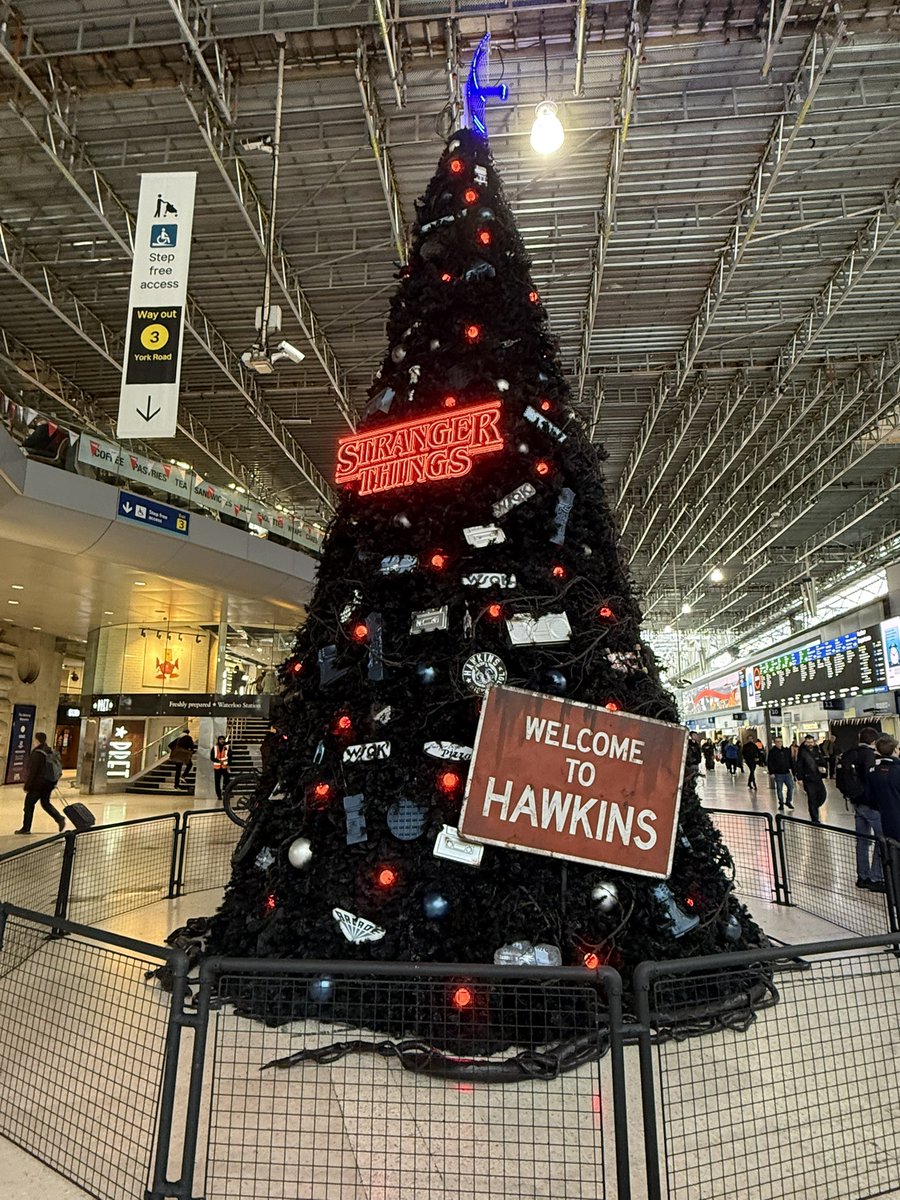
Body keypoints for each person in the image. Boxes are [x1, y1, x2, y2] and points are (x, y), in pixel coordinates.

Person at [836, 728, 884, 891]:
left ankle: (862, 877)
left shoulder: (850, 752)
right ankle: (875, 877)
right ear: (873, 741)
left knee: (862, 841)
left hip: (856, 801)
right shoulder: (869, 755)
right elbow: (871, 779)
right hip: (870, 804)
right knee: (882, 839)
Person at [15, 732, 65, 834]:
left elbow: (33, 771)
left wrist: (27, 785)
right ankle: (59, 818)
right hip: (49, 783)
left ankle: (26, 828)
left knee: (29, 805)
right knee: (45, 803)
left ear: (37, 740)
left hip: (38, 784)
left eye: (34, 740)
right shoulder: (49, 750)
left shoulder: (37, 753)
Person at [868, 736, 900, 844]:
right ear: (895, 750)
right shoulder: (897, 769)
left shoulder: (873, 771)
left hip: (885, 820)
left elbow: (870, 797)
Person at [796, 733, 827, 823]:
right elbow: (799, 765)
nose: (810, 744)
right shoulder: (802, 752)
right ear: (805, 742)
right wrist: (800, 778)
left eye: (811, 742)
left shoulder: (817, 751)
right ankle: (814, 817)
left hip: (817, 777)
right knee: (812, 797)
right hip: (808, 779)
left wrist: (823, 769)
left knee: (822, 795)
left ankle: (814, 807)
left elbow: (822, 761)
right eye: (808, 742)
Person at [766, 736, 795, 811]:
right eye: (777, 742)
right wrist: (771, 772)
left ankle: (788, 801)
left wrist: (793, 770)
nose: (779, 743)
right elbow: (770, 762)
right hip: (778, 773)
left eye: (780, 741)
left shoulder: (786, 750)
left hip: (787, 772)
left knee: (791, 787)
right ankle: (781, 803)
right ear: (775, 743)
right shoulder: (772, 752)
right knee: (779, 789)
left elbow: (790, 760)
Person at [210, 735, 231, 802]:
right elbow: (212, 757)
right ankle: (219, 795)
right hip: (217, 767)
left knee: (227, 781)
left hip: (224, 767)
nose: (222, 741)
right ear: (218, 740)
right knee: (217, 782)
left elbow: (230, 756)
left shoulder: (227, 747)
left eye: (223, 739)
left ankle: (227, 793)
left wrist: (229, 764)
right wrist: (219, 761)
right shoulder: (215, 748)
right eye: (220, 739)